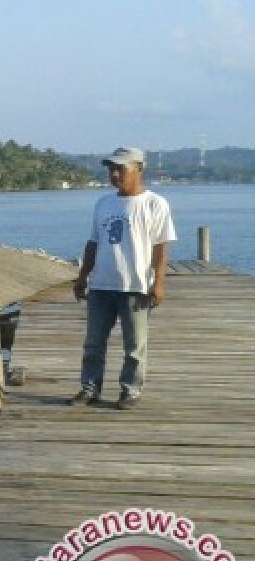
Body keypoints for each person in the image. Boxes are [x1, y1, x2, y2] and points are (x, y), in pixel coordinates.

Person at [70, 147, 176, 410]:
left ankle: (130, 390)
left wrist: (159, 283)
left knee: (134, 345)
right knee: (93, 343)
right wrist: (82, 277)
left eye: (121, 169)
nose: (115, 174)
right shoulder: (103, 203)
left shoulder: (155, 203)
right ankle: (89, 388)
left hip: (136, 286)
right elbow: (93, 242)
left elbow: (161, 247)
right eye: (111, 169)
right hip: (101, 285)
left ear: (139, 169)